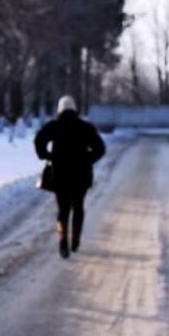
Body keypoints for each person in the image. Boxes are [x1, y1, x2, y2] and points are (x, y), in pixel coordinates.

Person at [34, 96, 106, 258]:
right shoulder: (85, 127)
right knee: (78, 206)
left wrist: (46, 155)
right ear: (75, 109)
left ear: (59, 109)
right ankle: (75, 241)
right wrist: (88, 159)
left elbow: (39, 140)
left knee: (63, 209)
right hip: (82, 175)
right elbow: (100, 148)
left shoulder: (54, 126)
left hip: (60, 174)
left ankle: (62, 242)